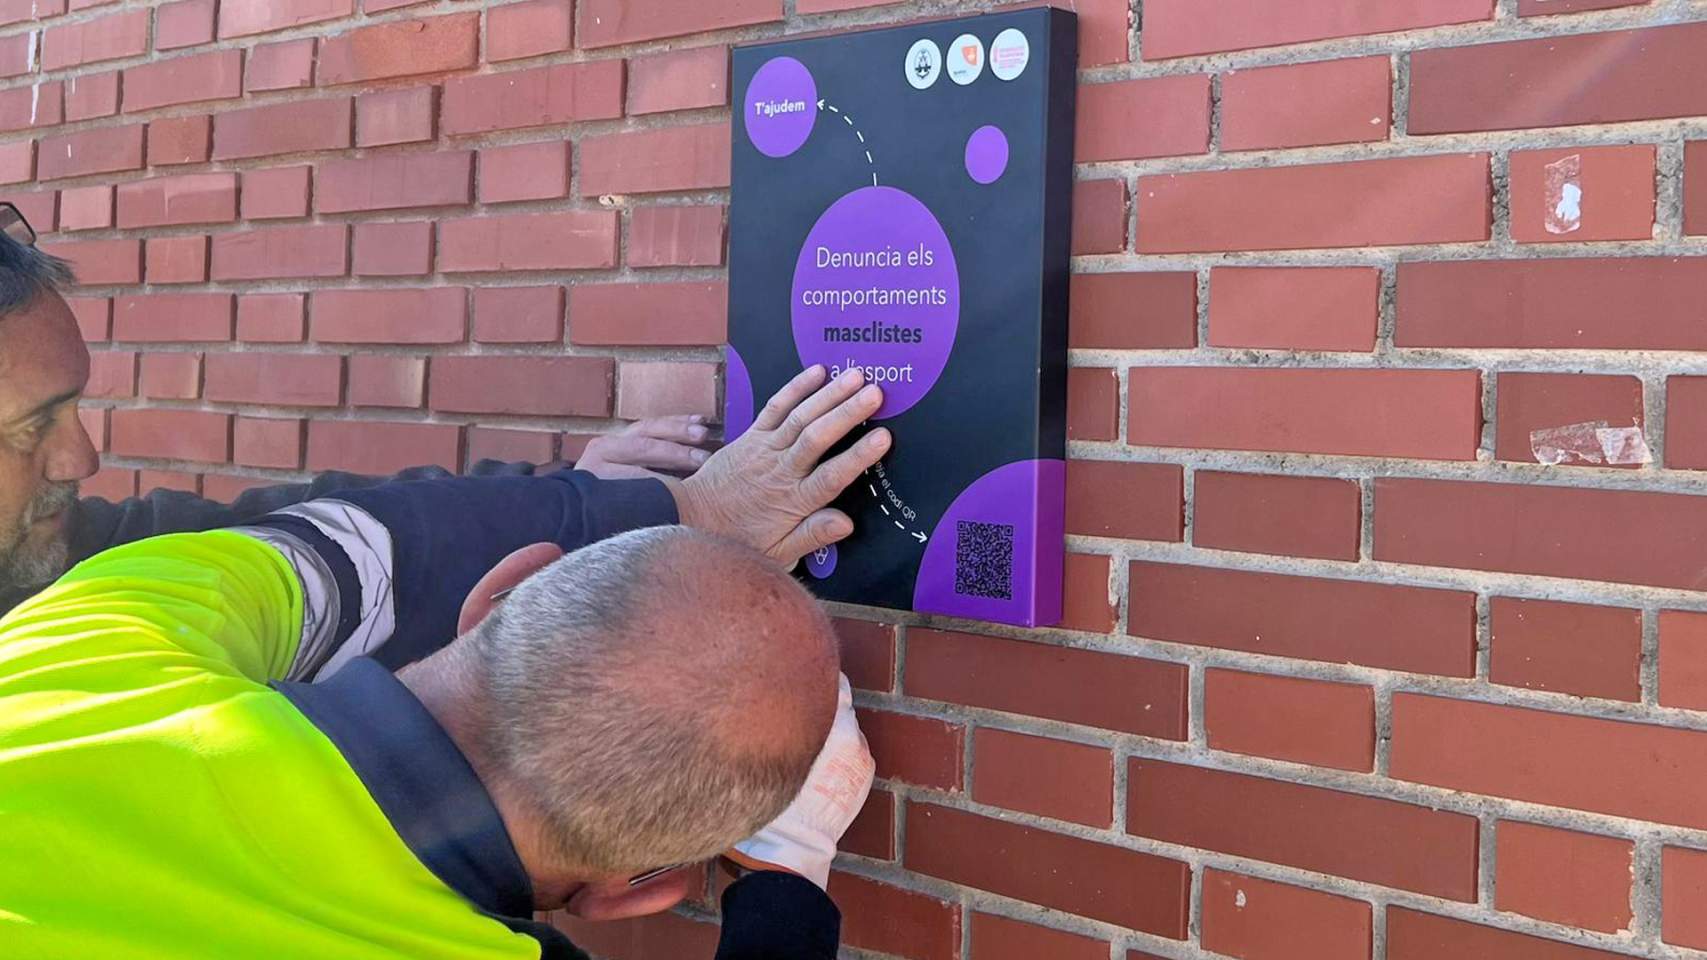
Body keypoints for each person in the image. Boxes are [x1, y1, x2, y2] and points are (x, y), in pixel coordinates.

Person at [0, 512, 874, 958]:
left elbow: (345, 549)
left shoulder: (98, 626)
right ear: (628, 895)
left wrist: (611, 500)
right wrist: (781, 879)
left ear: (503, 585)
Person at [0, 203, 718, 615]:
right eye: (33, 428)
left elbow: (322, 524)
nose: (81, 459)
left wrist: (571, 494)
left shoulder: (83, 558)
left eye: (74, 411)